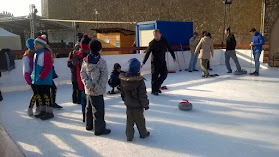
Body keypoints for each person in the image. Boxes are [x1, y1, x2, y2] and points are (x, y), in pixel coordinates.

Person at [80, 38, 111, 135]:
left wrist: (89, 85)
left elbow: (83, 74)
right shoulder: (101, 61)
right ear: (99, 49)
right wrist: (97, 87)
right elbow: (104, 76)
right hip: (97, 91)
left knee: (89, 108)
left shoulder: (85, 60)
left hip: (89, 90)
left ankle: (89, 125)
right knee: (98, 110)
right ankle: (99, 128)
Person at [120, 58, 150, 141]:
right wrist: (145, 104)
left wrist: (125, 100)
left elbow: (122, 92)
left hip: (129, 105)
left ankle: (129, 136)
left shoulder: (123, 80)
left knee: (129, 121)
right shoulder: (139, 81)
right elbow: (142, 95)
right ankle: (143, 133)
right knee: (140, 120)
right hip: (138, 106)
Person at [141, 29, 176, 95]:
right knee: (155, 76)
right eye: (155, 36)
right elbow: (147, 53)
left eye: (157, 35)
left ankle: (157, 87)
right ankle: (154, 91)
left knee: (164, 74)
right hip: (155, 63)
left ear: (160, 34)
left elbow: (170, 49)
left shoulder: (164, 41)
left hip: (162, 61)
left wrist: (174, 57)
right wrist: (143, 62)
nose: (156, 37)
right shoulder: (152, 43)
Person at [31, 35, 54, 120]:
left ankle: (49, 112)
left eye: (36, 44)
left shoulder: (46, 53)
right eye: (34, 44)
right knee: (40, 96)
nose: (35, 46)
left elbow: (48, 66)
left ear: (42, 45)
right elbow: (35, 67)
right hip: (38, 80)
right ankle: (43, 111)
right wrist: (33, 76)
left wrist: (42, 76)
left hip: (44, 79)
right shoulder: (36, 54)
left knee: (46, 96)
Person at [72, 34, 91, 122]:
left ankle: (85, 115)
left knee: (84, 99)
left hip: (79, 80)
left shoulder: (77, 54)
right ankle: (88, 116)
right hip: (87, 81)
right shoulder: (87, 56)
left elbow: (72, 64)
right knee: (88, 99)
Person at [23, 38, 41, 116]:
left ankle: (38, 107)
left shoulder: (36, 54)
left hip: (38, 77)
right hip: (32, 77)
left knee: (38, 93)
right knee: (36, 93)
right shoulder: (26, 57)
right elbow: (26, 69)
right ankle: (30, 108)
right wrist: (29, 79)